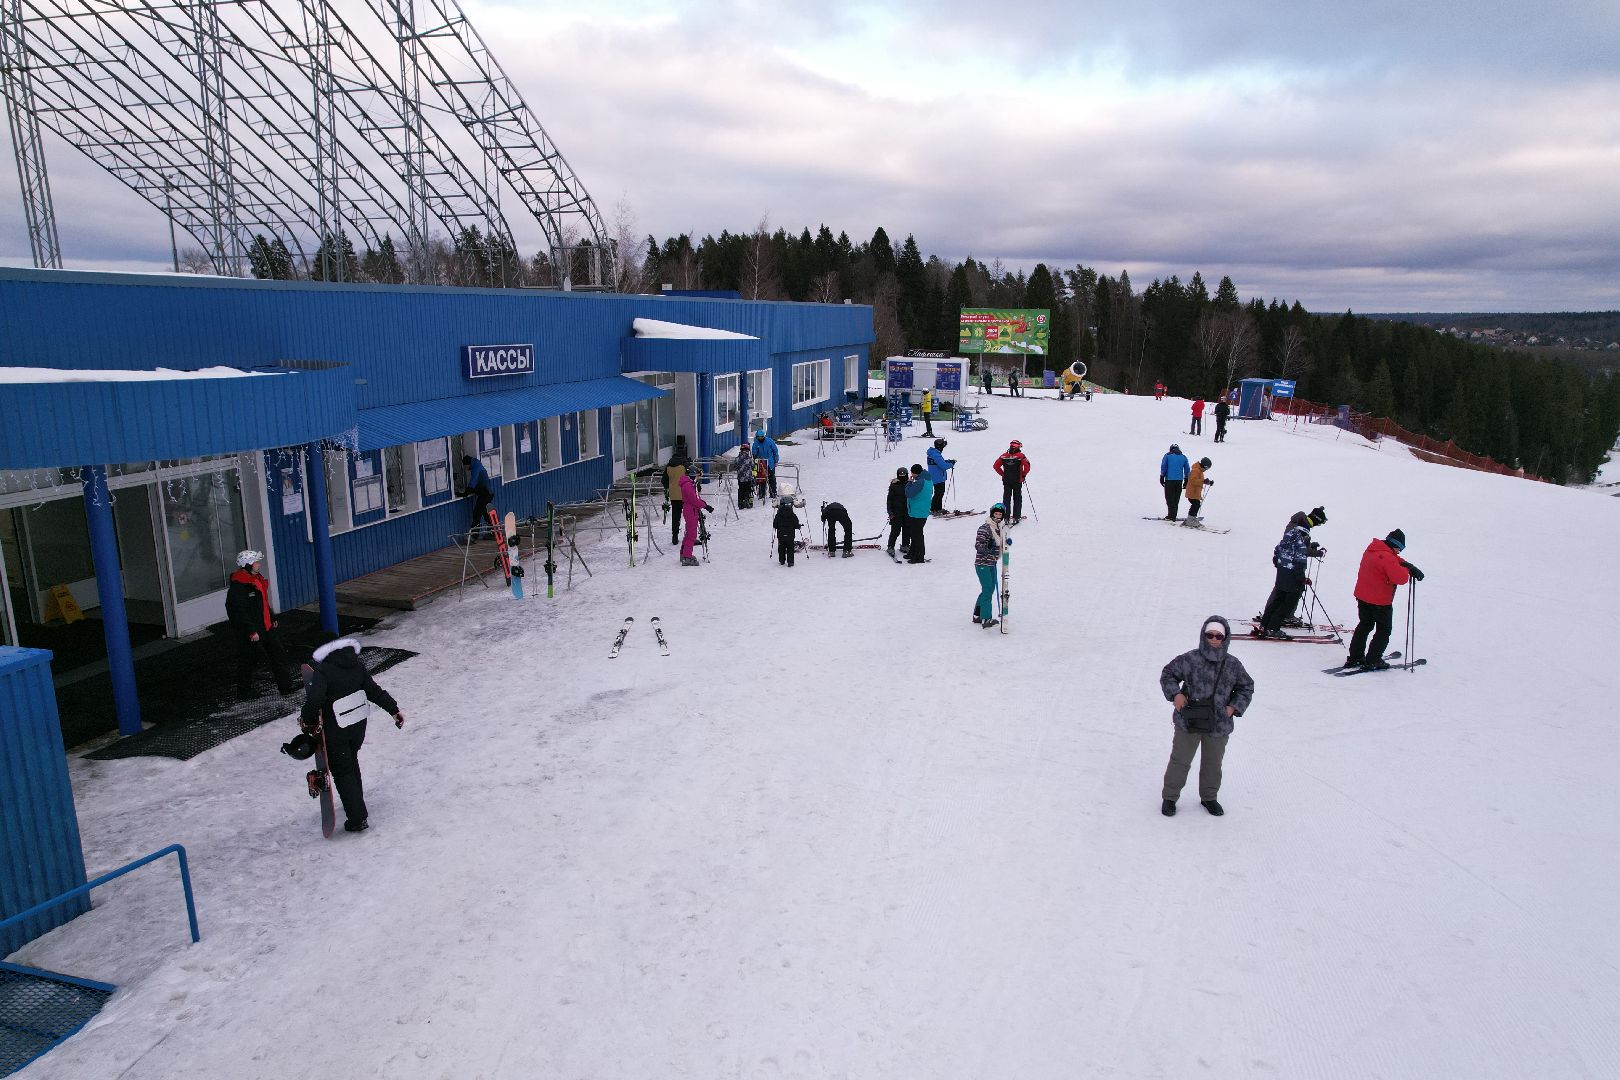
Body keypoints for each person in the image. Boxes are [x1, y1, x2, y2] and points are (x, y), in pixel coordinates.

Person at [299, 632, 405, 834]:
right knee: (350, 760)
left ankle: (358, 819)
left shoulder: (323, 671)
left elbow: (316, 700)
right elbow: (373, 690)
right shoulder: (356, 664)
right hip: (357, 726)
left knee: (342, 769)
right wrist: (394, 710)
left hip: (336, 729)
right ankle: (357, 800)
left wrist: (308, 720)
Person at [1158, 616, 1255, 817]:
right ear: (1203, 636)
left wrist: (1233, 708)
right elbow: (1168, 674)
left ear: (1225, 638)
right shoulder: (1190, 659)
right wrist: (1175, 694)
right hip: (1189, 721)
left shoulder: (1232, 664)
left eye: (1218, 636)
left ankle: (1209, 798)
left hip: (1218, 725)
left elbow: (1247, 687)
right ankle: (1169, 797)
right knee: (1180, 761)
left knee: (1212, 764)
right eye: (1209, 635)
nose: (1214, 639)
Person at [1346, 529, 1423, 669]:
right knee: (1384, 629)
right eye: (1400, 549)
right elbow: (1401, 578)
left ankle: (1355, 657)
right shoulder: (1388, 558)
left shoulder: (1373, 550)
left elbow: (1393, 558)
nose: (1399, 552)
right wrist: (1407, 569)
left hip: (1363, 597)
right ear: (1395, 545)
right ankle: (1373, 659)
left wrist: (1407, 564)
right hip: (1380, 601)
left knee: (1364, 625)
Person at [225, 550, 296, 699]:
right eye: (256, 562)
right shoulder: (239, 587)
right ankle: (244, 692)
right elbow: (238, 613)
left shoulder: (256, 579)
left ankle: (286, 686)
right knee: (249, 660)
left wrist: (271, 616)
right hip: (253, 631)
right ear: (247, 565)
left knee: (278, 654)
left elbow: (262, 602)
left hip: (266, 627)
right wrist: (251, 631)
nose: (259, 564)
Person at [1254, 512, 1323, 637]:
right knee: (1286, 605)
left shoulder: (1287, 538)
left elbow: (1277, 551)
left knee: (1277, 601)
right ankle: (1274, 628)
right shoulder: (1300, 544)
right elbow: (1299, 564)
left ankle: (1264, 625)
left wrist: (1280, 566)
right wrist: (1303, 579)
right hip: (1293, 580)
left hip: (1281, 576)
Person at [971, 503, 1007, 629]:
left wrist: (1007, 542)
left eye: (1000, 515)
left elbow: (1002, 544)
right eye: (995, 514)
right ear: (992, 514)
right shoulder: (985, 528)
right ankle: (986, 618)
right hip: (982, 563)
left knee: (988, 589)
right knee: (987, 589)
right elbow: (978, 545)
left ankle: (977, 615)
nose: (997, 517)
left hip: (991, 562)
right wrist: (988, 548)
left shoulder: (1000, 528)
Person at [677, 470, 713, 566]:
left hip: (692, 509)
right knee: (691, 535)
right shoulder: (688, 485)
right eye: (697, 476)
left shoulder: (690, 484)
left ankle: (684, 554)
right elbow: (694, 500)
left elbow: (696, 498)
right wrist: (705, 506)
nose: (698, 478)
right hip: (690, 510)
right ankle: (687, 557)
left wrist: (704, 504)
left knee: (689, 533)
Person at [993, 439, 1031, 523]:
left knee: (1006, 498)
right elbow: (1027, 466)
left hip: (1006, 480)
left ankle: (1006, 517)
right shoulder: (1021, 456)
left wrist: (1002, 474)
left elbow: (995, 466)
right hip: (1017, 480)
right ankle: (1016, 517)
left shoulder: (1003, 456)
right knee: (1017, 498)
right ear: (1018, 446)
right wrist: (1023, 474)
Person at [903, 464, 933, 563]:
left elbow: (908, 493)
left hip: (917, 512)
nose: (911, 474)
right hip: (922, 511)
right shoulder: (928, 480)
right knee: (915, 534)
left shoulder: (920, 482)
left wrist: (909, 483)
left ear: (915, 473)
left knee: (917, 535)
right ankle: (912, 553)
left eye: (912, 472)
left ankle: (919, 557)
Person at [458, 455, 493, 535]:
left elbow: (473, 483)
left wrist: (465, 493)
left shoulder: (476, 469)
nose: (465, 469)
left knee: (477, 514)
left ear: (468, 464)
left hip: (485, 494)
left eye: (465, 466)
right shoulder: (477, 465)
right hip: (488, 493)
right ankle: (492, 533)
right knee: (486, 514)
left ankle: (473, 536)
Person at [665, 447, 691, 546]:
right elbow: (691, 476)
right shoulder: (684, 464)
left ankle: (674, 536)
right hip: (685, 495)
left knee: (675, 516)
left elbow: (664, 481)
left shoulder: (669, 465)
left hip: (674, 495)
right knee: (689, 516)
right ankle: (689, 535)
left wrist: (670, 486)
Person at [1158, 443, 1190, 520]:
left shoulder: (1167, 456)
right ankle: (1174, 515)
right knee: (1176, 498)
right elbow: (1187, 469)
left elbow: (1164, 466)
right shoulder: (1183, 457)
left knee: (1169, 498)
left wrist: (1162, 476)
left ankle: (1171, 515)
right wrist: (1186, 480)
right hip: (1179, 480)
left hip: (1169, 480)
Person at [926, 438, 956, 515]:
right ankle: (935, 509)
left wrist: (948, 461)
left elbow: (939, 463)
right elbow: (943, 466)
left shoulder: (933, 453)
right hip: (938, 477)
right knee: (939, 493)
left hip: (935, 477)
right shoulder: (936, 455)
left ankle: (937, 508)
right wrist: (951, 464)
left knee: (939, 493)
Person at [885, 466, 910, 557]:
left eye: (904, 475)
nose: (902, 476)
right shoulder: (894, 485)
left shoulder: (909, 484)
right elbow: (889, 500)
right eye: (900, 475)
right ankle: (890, 546)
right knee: (896, 530)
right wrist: (890, 512)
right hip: (896, 512)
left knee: (907, 529)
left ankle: (905, 545)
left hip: (907, 512)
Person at [772, 496, 800, 566]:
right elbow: (796, 525)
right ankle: (790, 562)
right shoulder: (793, 515)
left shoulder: (778, 515)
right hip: (790, 535)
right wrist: (798, 526)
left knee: (781, 547)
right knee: (790, 547)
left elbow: (775, 525)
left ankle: (782, 561)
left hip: (781, 535)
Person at [751, 431, 779, 498]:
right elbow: (754, 453)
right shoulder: (756, 443)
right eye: (758, 437)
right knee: (761, 478)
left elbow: (775, 451)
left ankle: (773, 493)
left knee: (771, 478)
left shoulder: (769, 441)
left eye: (761, 437)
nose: (760, 439)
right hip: (761, 463)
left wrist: (776, 460)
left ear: (764, 436)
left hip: (770, 462)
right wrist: (755, 459)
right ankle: (761, 493)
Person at [734, 442, 754, 509]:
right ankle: (747, 502)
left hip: (740, 478)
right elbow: (753, 466)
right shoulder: (749, 458)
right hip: (748, 478)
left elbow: (735, 466)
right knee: (748, 490)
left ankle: (740, 503)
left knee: (741, 490)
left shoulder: (737, 458)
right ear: (747, 450)